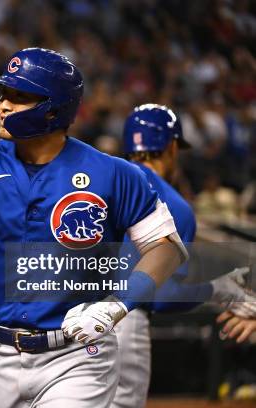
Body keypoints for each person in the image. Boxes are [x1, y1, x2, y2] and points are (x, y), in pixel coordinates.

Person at [0, 48, 188, 407]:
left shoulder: (114, 173)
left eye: (20, 97)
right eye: (4, 94)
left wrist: (116, 305)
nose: (4, 105)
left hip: (79, 354)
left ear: (55, 109)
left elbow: (166, 248)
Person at [112, 104, 256, 408]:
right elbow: (162, 296)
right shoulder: (171, 204)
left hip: (59, 317)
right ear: (172, 146)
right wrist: (219, 290)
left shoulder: (96, 184)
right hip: (122, 326)